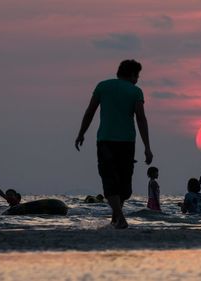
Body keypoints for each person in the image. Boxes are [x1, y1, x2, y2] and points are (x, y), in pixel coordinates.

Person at [75, 59, 153, 229]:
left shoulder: (103, 86)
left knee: (114, 182)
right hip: (123, 143)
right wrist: (147, 147)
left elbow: (90, 112)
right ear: (132, 74)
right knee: (121, 184)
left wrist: (82, 133)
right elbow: (141, 119)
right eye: (137, 75)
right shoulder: (135, 91)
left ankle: (116, 217)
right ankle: (120, 218)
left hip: (107, 141)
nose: (137, 79)